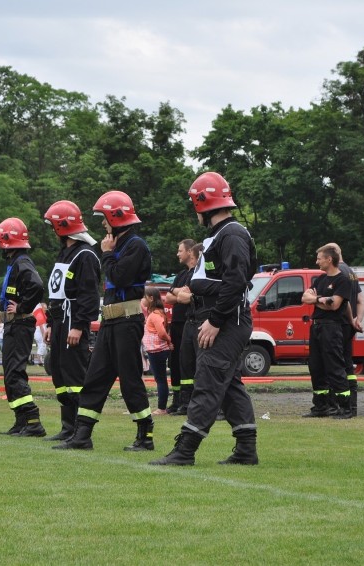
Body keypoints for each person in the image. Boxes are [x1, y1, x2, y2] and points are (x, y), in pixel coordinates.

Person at [151, 171, 259, 466]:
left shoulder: (232, 234)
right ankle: (246, 450)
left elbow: (237, 282)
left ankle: (185, 450)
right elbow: (225, 280)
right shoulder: (218, 235)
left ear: (202, 202)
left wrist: (215, 319)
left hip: (224, 322)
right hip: (219, 318)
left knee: (207, 383)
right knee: (229, 385)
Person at [55, 190, 154, 452]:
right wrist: (109, 252)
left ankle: (145, 436)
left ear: (116, 217)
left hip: (127, 319)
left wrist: (107, 253)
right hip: (110, 321)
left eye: (104, 218)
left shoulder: (136, 246)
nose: (102, 223)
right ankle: (82, 435)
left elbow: (119, 277)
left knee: (130, 379)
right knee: (95, 377)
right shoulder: (118, 244)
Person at [42, 200, 101, 441]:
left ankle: (80, 429)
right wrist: (48, 322)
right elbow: (56, 292)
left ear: (61, 226)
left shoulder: (85, 255)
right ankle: (67, 426)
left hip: (72, 322)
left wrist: (78, 326)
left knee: (75, 376)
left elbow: (89, 295)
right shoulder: (65, 252)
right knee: (59, 374)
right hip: (58, 321)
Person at [0, 217, 46, 437]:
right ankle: (21, 421)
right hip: (14, 325)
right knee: (10, 373)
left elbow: (37, 285)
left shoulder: (22, 262)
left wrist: (22, 306)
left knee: (15, 372)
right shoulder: (17, 262)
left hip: (20, 324)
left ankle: (33, 421)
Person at [300, 245, 353, 419]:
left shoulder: (343, 280)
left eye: (319, 258)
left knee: (335, 367)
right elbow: (304, 298)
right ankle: (320, 407)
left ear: (329, 259)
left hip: (332, 328)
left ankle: (345, 407)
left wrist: (315, 300)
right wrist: (320, 299)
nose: (317, 261)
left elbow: (335, 304)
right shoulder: (320, 280)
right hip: (316, 327)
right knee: (316, 367)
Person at [326, 242, 364, 417]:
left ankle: (340, 405)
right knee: (347, 364)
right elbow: (361, 301)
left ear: (332, 255)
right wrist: (357, 321)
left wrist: (350, 319)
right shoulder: (351, 272)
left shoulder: (338, 273)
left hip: (339, 324)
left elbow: (345, 302)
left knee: (336, 365)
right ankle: (352, 405)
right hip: (349, 326)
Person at [164, 239, 199, 415]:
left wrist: (178, 294)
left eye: (180, 251)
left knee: (189, 363)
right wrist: (180, 293)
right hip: (177, 324)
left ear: (190, 252)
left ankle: (188, 402)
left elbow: (187, 297)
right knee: (176, 364)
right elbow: (168, 298)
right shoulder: (181, 274)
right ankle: (177, 400)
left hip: (190, 322)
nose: (177, 254)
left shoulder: (196, 274)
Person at [143, 286, 172, 415]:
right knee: (160, 379)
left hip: (157, 350)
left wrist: (168, 340)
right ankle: (162, 407)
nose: (143, 299)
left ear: (150, 298)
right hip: (156, 350)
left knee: (160, 379)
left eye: (144, 297)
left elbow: (161, 332)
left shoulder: (155, 315)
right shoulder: (156, 313)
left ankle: (161, 408)